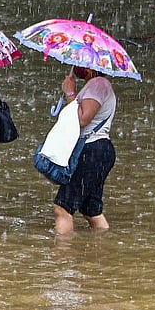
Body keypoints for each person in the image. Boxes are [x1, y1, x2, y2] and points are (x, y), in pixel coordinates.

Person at [53, 65, 116, 236]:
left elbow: (82, 119)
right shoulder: (97, 85)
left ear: (89, 68)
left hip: (92, 151)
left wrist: (70, 92)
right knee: (90, 209)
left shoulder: (97, 85)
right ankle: (102, 246)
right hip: (99, 151)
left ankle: (62, 257)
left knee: (62, 207)